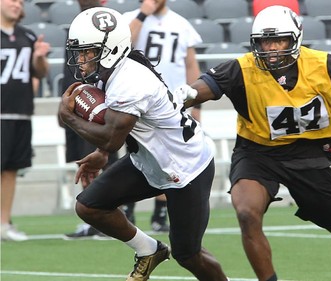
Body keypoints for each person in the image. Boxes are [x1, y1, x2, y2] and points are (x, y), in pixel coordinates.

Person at [179, 5, 331, 281]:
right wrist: (182, 95)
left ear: (295, 38)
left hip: (308, 156)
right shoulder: (242, 68)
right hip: (257, 153)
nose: (271, 48)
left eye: (278, 40)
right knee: (247, 212)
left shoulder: (323, 63)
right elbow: (202, 88)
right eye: (264, 41)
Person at [58, 7, 228, 281]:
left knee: (188, 254)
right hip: (150, 160)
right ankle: (149, 250)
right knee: (89, 206)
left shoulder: (129, 81)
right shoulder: (112, 70)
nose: (81, 58)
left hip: (185, 168)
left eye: (87, 51)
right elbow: (116, 132)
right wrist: (101, 153)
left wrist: (69, 118)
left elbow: (112, 138)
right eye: (79, 51)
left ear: (110, 48)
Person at [121, 0, 203, 232]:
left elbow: (190, 64)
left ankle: (160, 214)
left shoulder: (181, 24)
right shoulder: (130, 17)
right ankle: (127, 208)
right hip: (137, 99)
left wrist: (197, 105)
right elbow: (124, 43)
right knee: (135, 154)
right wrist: (143, 14)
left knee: (169, 158)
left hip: (172, 103)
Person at [59, 0, 119, 240]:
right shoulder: (75, 25)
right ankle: (95, 219)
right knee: (83, 162)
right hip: (76, 100)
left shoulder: (109, 28)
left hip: (98, 104)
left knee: (105, 162)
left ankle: (109, 216)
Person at [1, 0, 50, 241]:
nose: (17, 4)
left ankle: (3, 224)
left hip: (21, 112)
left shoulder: (28, 36)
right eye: (12, 0)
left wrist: (40, 57)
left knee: (11, 169)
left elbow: (40, 73)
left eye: (20, 1)